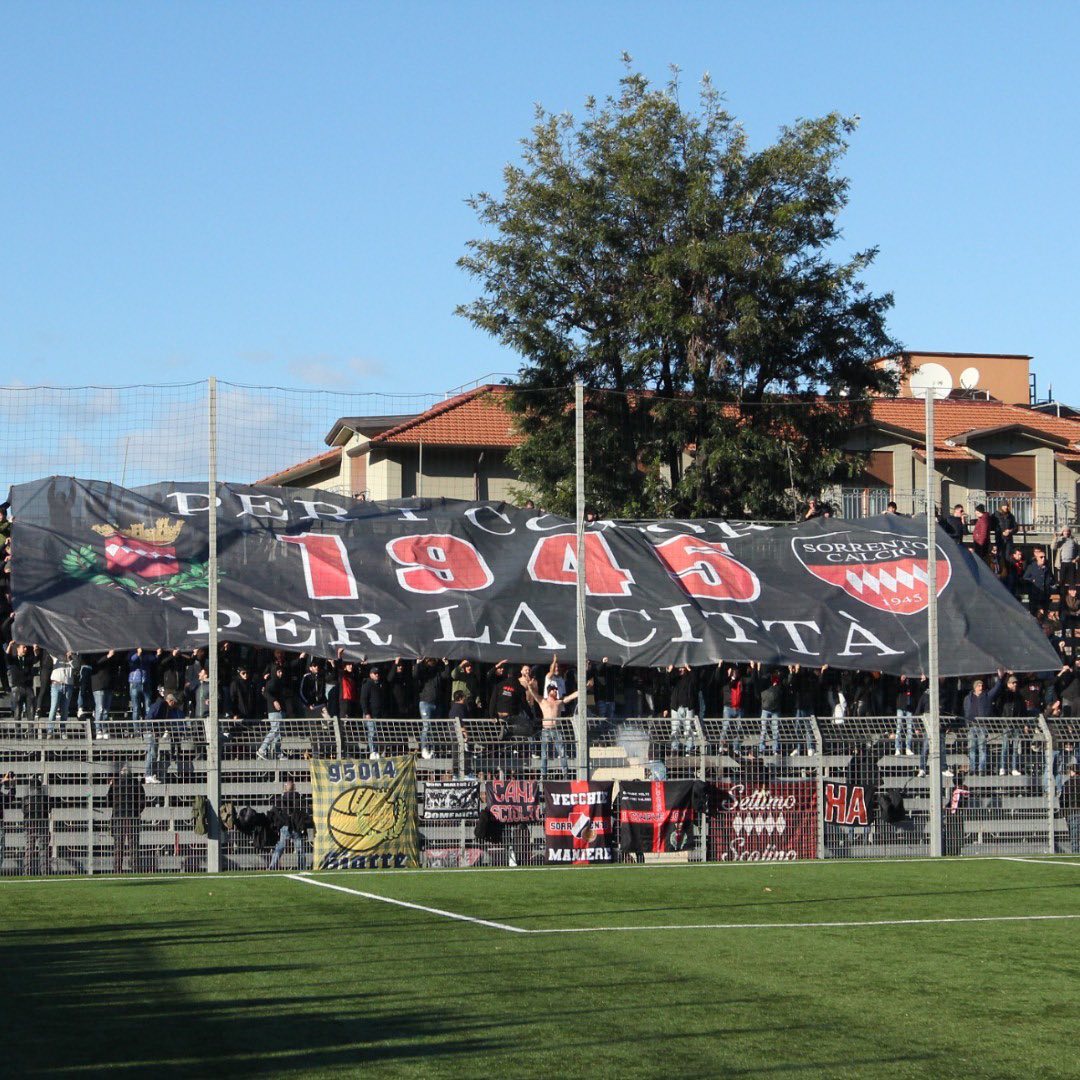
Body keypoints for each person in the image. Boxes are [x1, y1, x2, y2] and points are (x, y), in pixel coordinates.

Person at [521, 673, 577, 779]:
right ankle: (543, 775)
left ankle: (565, 774)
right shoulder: (543, 701)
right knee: (544, 754)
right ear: (549, 691)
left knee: (562, 752)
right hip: (546, 730)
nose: (556, 691)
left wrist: (584, 689)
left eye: (556, 690)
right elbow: (533, 694)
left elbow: (571, 697)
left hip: (557, 729)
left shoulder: (559, 702)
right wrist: (529, 685)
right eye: (553, 690)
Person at [107, 763, 147, 872]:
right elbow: (142, 801)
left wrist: (116, 809)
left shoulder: (115, 783)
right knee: (133, 845)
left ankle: (117, 869)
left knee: (118, 846)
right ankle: (135, 868)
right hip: (132, 817)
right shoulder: (136, 783)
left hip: (118, 817)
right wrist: (136, 812)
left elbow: (108, 800)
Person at [267, 779, 311, 870]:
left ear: (284, 788)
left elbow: (274, 812)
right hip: (297, 826)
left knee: (280, 846)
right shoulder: (299, 798)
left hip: (285, 826)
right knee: (299, 848)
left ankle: (272, 865)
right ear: (294, 788)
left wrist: (281, 822)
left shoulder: (280, 800)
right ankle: (302, 867)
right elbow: (305, 811)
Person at [21, 776, 50, 875]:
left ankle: (26, 872)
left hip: (29, 825)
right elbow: (49, 809)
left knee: (29, 850)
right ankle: (44, 872)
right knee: (43, 850)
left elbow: (23, 811)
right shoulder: (45, 797)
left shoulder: (26, 798)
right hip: (42, 825)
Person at [1022, 547, 1056, 616]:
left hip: (1045, 595)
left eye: (1044, 557)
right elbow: (1025, 578)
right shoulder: (1031, 567)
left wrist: (1050, 585)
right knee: (1034, 614)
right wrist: (1032, 580)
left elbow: (1052, 579)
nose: (1043, 559)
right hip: (1035, 594)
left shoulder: (1047, 568)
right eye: (1041, 557)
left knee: (1045, 614)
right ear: (1037, 558)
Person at [1061, 762, 1080, 854]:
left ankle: (1076, 856)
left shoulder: (1068, 783)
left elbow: (1063, 800)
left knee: (1074, 838)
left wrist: (1064, 813)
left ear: (1072, 772)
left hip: (1073, 812)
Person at [993, 501, 1018, 565]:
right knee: (1000, 556)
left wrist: (1010, 531)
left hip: (1008, 540)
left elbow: (1016, 528)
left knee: (1008, 557)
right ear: (1001, 506)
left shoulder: (1011, 516)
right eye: (1004, 506)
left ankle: (1008, 572)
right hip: (999, 539)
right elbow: (991, 525)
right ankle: (1000, 572)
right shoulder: (995, 515)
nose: (1006, 507)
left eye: (1007, 506)